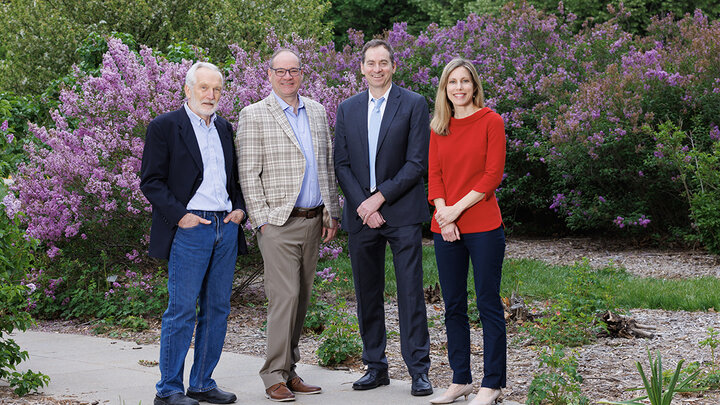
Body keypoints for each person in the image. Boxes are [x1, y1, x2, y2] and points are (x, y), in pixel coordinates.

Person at [236, 48, 341, 402]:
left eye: (293, 70)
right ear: (269, 75)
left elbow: (325, 165)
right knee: (286, 296)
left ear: (301, 74)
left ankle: (290, 370)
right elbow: (248, 173)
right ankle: (272, 375)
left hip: (313, 220)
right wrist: (262, 220)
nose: (287, 76)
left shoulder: (316, 110)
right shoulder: (254, 115)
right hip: (278, 223)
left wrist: (331, 211)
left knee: (303, 297)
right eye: (280, 71)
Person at [140, 62, 248, 405]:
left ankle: (202, 383)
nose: (210, 95)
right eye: (203, 88)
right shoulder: (165, 127)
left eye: (216, 89)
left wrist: (239, 210)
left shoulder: (225, 128)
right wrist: (181, 217)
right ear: (188, 90)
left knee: (217, 309)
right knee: (182, 310)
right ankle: (169, 390)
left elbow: (235, 179)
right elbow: (151, 182)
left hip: (225, 227)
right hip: (190, 228)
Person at [334, 39, 433, 397]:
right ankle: (375, 367)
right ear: (361, 68)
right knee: (367, 293)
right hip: (362, 216)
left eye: (383, 63)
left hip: (402, 212)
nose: (377, 69)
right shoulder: (347, 108)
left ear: (393, 67)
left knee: (410, 293)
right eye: (370, 63)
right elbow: (341, 164)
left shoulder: (414, 104)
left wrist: (379, 199)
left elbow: (416, 163)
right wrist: (364, 205)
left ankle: (419, 370)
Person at [426, 58, 507, 405]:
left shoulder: (491, 121)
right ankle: (460, 380)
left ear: (475, 86)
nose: (458, 88)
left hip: (483, 225)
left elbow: (492, 175)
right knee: (453, 305)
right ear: (445, 89)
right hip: (446, 228)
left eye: (464, 82)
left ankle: (492, 384)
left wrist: (454, 212)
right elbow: (435, 176)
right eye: (452, 83)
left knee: (487, 302)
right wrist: (443, 214)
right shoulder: (439, 127)